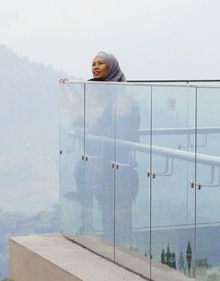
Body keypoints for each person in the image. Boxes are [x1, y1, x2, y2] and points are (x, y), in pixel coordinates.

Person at [67, 51, 139, 245]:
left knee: (119, 219)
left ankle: (123, 256)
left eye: (101, 63)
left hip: (120, 170)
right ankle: (114, 251)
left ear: (112, 68)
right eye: (93, 63)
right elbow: (91, 121)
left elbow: (126, 132)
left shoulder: (125, 101)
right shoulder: (98, 94)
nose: (95, 67)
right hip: (102, 169)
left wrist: (95, 129)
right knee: (107, 214)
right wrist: (84, 128)